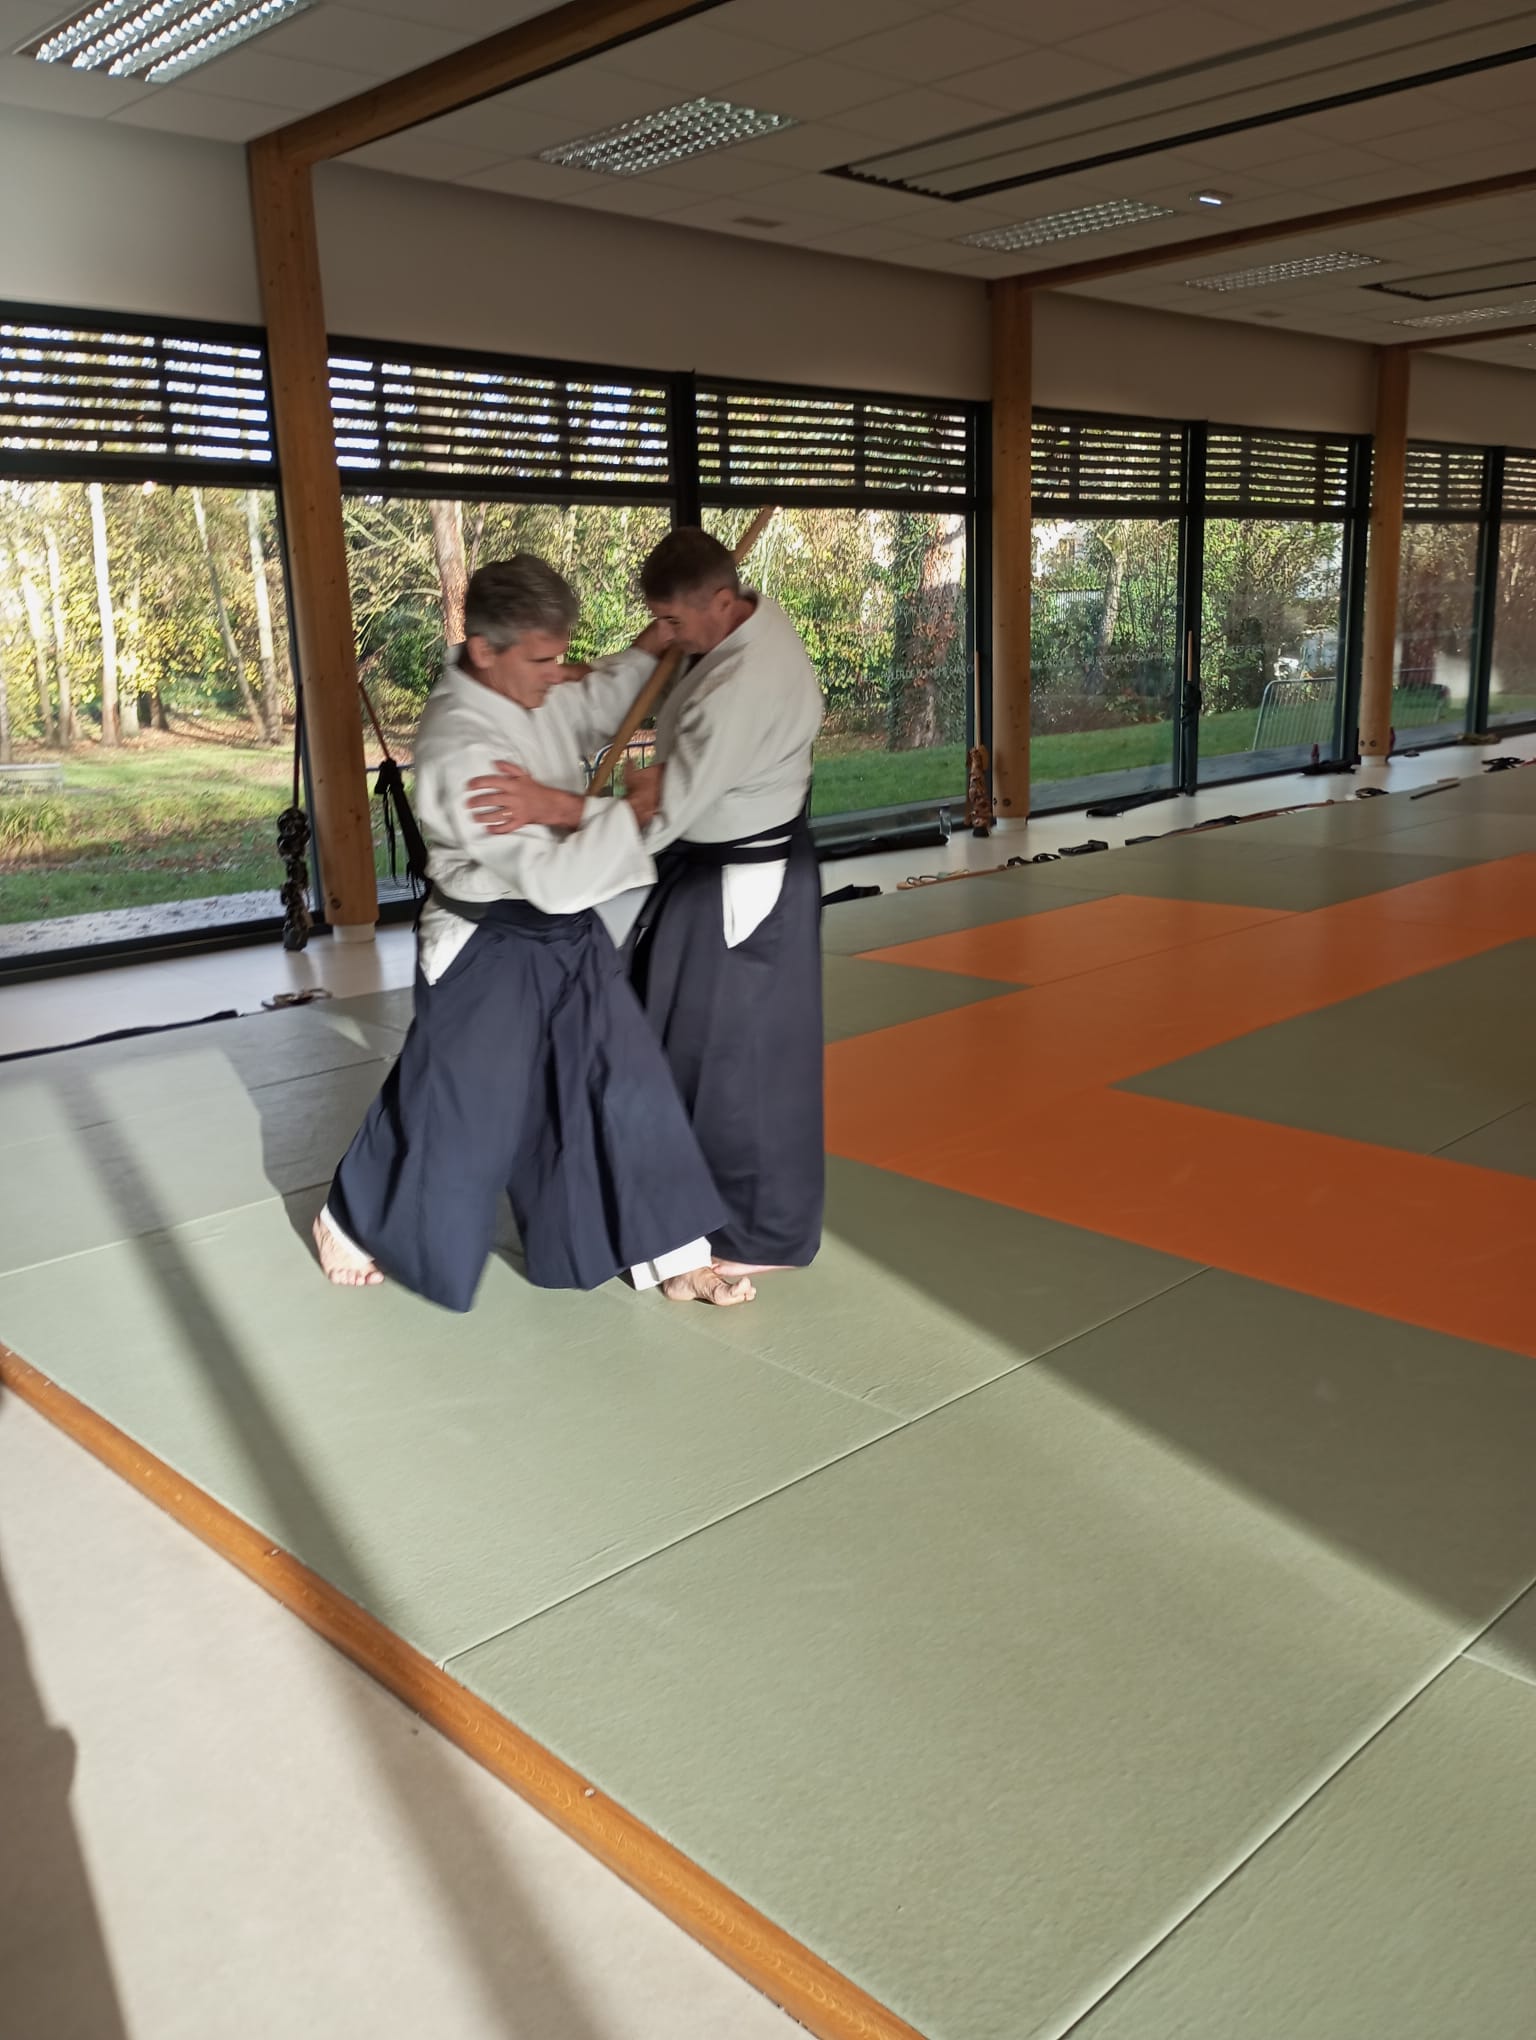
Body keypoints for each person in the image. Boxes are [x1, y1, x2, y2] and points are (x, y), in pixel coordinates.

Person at [313, 554, 754, 1313]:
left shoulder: (525, 684)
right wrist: (632, 814)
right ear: (486, 650)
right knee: (461, 1109)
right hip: (488, 940)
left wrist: (648, 648)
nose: (560, 673)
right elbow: (552, 878)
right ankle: (348, 1219)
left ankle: (674, 1253)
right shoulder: (462, 749)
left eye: (560, 656)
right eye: (545, 660)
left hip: (564, 936)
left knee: (627, 1080)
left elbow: (588, 702)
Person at [466, 528, 825, 1280]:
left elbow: (664, 814)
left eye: (673, 620)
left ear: (721, 602)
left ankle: (757, 1236)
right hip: (701, 868)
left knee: (736, 1063)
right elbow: (657, 762)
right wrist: (643, 670)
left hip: (741, 881)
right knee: (672, 1041)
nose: (665, 634)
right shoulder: (735, 622)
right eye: (657, 618)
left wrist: (550, 805)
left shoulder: (740, 686)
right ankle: (678, 1210)